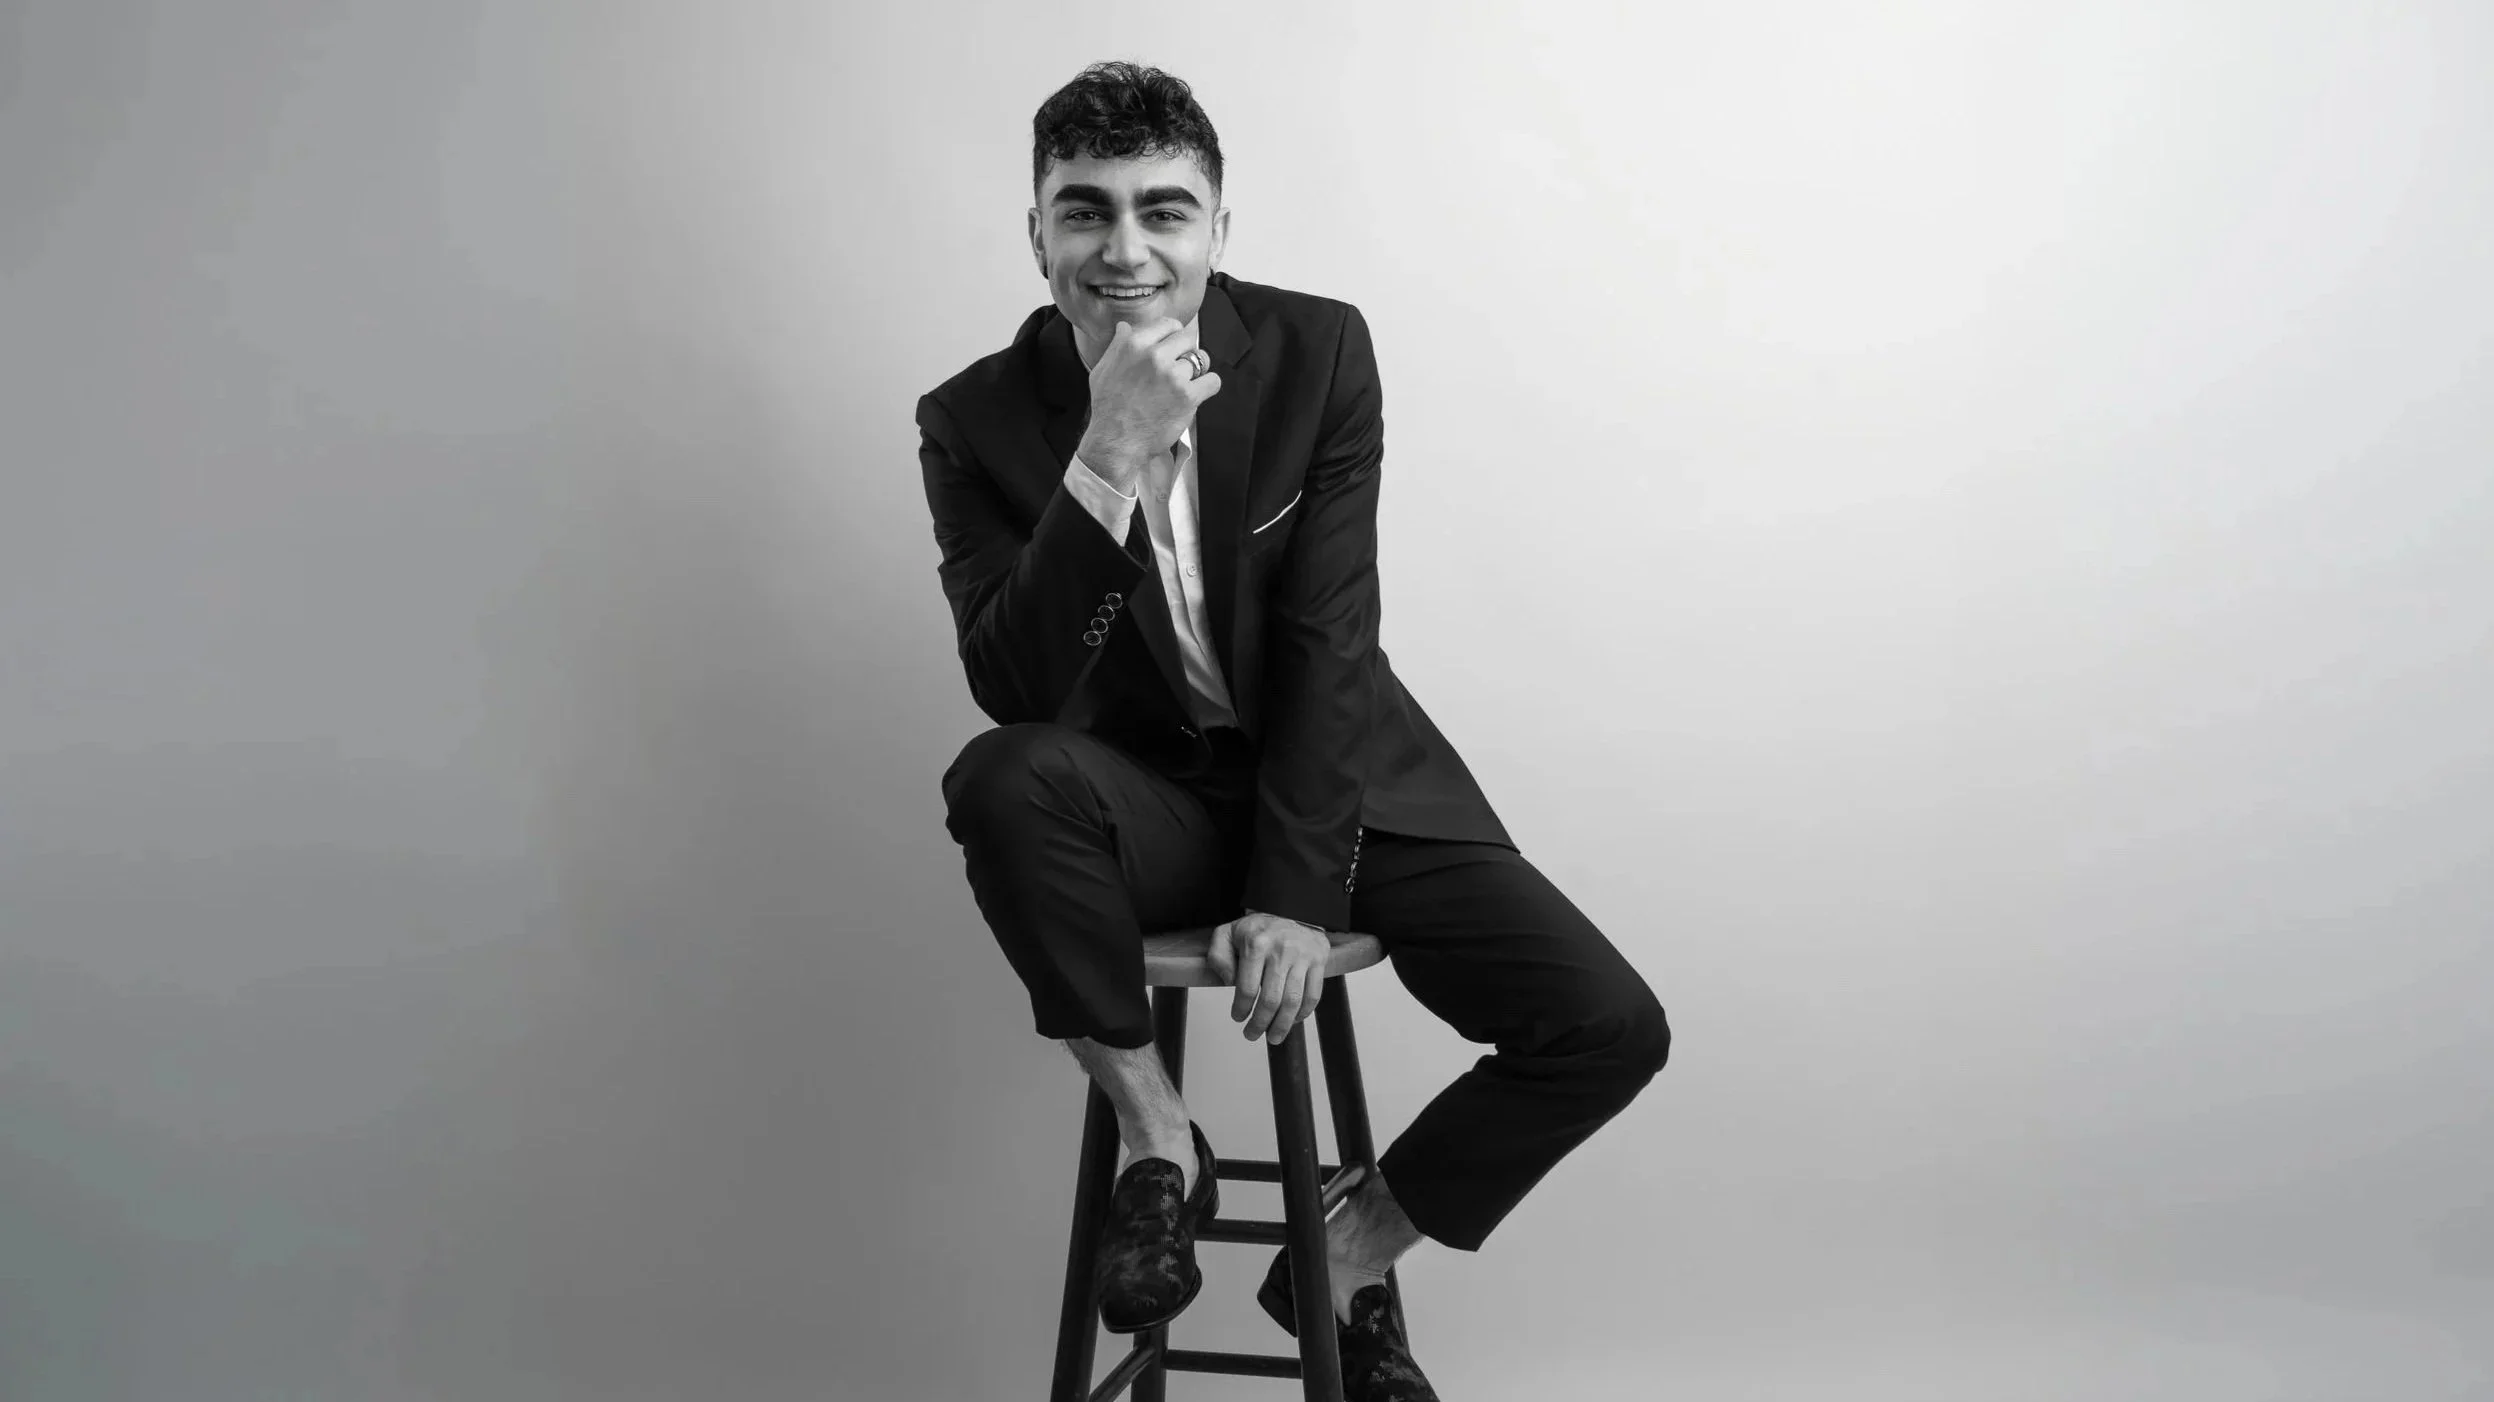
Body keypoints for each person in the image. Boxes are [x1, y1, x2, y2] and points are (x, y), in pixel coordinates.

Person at [918, 60, 1671, 1401]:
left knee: (1604, 1024)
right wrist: (1105, 456)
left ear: (1219, 227)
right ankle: (1164, 1142)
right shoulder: (970, 418)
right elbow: (1017, 686)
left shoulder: (1318, 352)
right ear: (1035, 233)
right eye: (1084, 212)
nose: (1126, 248)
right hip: (1144, 805)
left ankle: (1344, 1257)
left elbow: (1331, 638)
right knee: (1001, 777)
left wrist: (1289, 893)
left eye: (1165, 209)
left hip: (1342, 789)